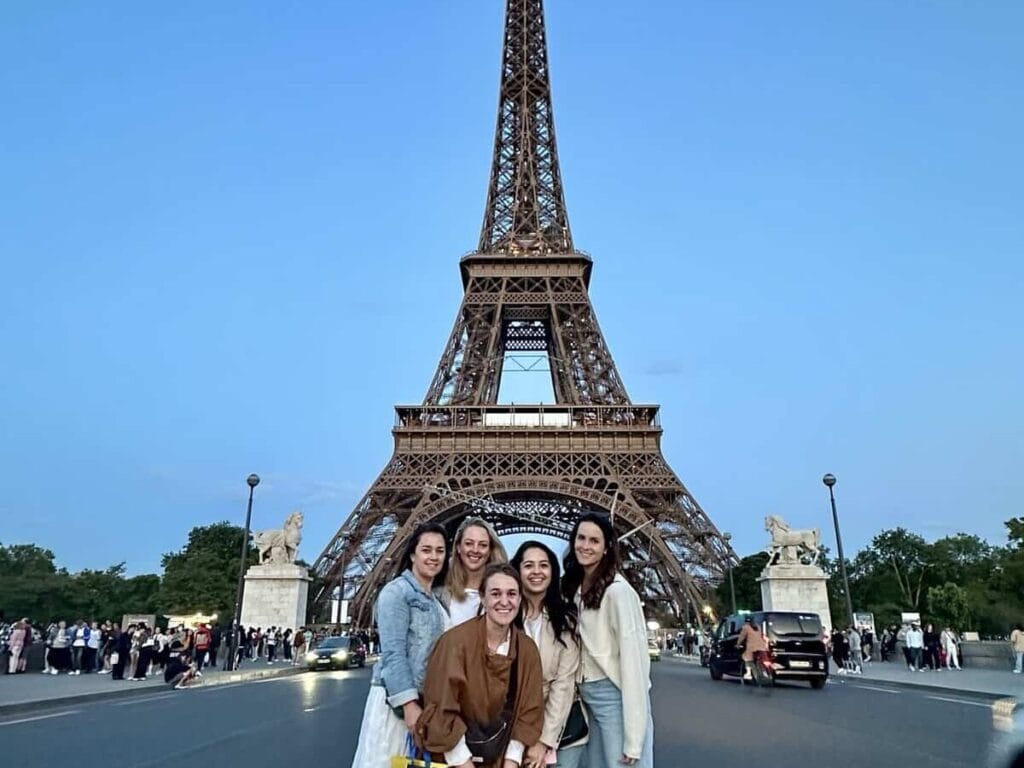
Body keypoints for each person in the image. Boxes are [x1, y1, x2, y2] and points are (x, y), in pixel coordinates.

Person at [418, 563, 545, 768]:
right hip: (456, 759)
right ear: (483, 597)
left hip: (503, 755)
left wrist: (511, 762)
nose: (504, 601)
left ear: (520, 599)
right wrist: (463, 762)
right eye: (496, 593)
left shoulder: (528, 650)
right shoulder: (453, 643)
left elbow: (529, 711)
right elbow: (440, 707)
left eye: (512, 594)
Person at [350, 522, 451, 768]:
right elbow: (394, 654)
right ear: (412, 554)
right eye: (426, 550)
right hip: (398, 706)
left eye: (440, 550)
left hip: (426, 705)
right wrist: (409, 705)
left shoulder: (437, 599)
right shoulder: (397, 593)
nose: (434, 556)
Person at [562, 512, 654, 768]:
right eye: (581, 538)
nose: (585, 546)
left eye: (594, 541)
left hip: (613, 697)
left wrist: (634, 738)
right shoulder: (576, 589)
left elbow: (635, 664)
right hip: (585, 699)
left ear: (606, 548)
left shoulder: (618, 592)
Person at [511, 541, 586, 768]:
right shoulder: (502, 616)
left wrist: (543, 741)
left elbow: (564, 685)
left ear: (553, 572)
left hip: (561, 729)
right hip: (513, 728)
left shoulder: (566, 620)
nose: (536, 572)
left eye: (543, 565)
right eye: (529, 565)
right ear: (517, 570)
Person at [443, 516, 509, 626]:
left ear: (490, 550)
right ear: (458, 547)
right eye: (469, 543)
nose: (475, 550)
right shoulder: (440, 595)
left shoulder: (505, 596)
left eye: (482, 545)